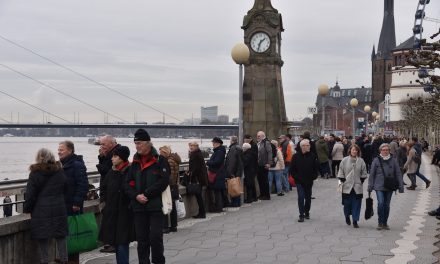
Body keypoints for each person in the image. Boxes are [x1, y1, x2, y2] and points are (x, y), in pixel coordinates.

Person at [124, 129, 170, 264]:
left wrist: (146, 194)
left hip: (155, 206)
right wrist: (136, 196)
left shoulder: (160, 160)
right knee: (142, 240)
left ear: (148, 143)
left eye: (139, 143)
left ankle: (158, 261)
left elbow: (164, 181)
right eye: (135, 143)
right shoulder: (135, 162)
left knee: (155, 238)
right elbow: (127, 183)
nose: (137, 146)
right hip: (139, 207)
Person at [24, 148, 68, 264]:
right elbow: (66, 189)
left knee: (42, 236)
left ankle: (45, 261)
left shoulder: (35, 173)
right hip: (59, 208)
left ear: (39, 158)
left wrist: (27, 209)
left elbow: (30, 195)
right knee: (60, 236)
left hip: (41, 210)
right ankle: (64, 260)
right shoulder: (60, 171)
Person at [99, 146, 134, 264]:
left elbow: (133, 191)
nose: (112, 159)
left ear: (122, 158)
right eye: (112, 156)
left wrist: (130, 206)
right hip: (111, 212)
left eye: (115, 156)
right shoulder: (112, 171)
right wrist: (103, 204)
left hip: (125, 213)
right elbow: (103, 188)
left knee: (122, 243)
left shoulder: (131, 171)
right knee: (116, 242)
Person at [58, 140, 89, 264]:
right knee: (66, 233)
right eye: (58, 149)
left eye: (62, 149)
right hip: (63, 204)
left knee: (73, 234)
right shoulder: (62, 164)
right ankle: (66, 258)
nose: (59, 152)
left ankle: (73, 260)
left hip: (72, 205)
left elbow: (83, 185)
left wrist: (77, 202)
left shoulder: (76, 164)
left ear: (70, 150)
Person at [368, 143, 404, 230]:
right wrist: (370, 186)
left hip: (389, 186)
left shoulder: (393, 160)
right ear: (380, 151)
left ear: (389, 151)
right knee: (380, 203)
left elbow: (398, 173)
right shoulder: (376, 160)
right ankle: (380, 222)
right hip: (378, 185)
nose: (385, 151)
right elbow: (372, 174)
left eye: (387, 150)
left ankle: (385, 222)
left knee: (387, 205)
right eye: (383, 150)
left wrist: (401, 186)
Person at [337, 144, 368, 228]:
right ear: (350, 150)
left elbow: (364, 172)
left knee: (357, 204)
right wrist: (342, 180)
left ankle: (355, 220)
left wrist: (361, 180)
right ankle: (347, 216)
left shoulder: (361, 161)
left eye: (356, 150)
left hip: (357, 187)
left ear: (358, 151)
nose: (354, 151)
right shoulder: (344, 160)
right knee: (347, 204)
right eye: (353, 150)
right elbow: (341, 171)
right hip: (347, 187)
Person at [289, 139, 319, 222]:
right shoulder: (295, 156)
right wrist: (296, 177)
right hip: (299, 181)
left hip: (309, 181)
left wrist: (314, 176)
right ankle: (301, 214)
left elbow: (316, 168)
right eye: (307, 145)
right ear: (302, 146)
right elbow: (292, 169)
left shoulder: (313, 156)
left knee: (308, 197)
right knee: (301, 197)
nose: (309, 146)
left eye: (309, 145)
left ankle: (307, 212)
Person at [159, 145, 182, 231]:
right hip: (174, 186)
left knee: (166, 205)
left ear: (165, 152)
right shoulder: (173, 159)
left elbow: (170, 176)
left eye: (161, 152)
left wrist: (165, 184)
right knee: (172, 206)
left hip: (170, 186)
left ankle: (166, 227)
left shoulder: (169, 161)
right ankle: (173, 225)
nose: (159, 154)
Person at [186, 141, 208, 218]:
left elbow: (195, 168)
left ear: (196, 146)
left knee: (199, 196)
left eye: (193, 146)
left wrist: (190, 176)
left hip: (197, 179)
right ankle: (202, 212)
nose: (191, 147)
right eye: (190, 145)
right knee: (199, 196)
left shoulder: (195, 155)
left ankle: (202, 213)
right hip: (200, 178)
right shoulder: (198, 153)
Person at [206, 137, 227, 212]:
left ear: (218, 144)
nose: (213, 144)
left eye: (214, 143)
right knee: (218, 192)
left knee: (217, 192)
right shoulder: (219, 151)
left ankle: (218, 208)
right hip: (218, 174)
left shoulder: (219, 152)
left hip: (217, 174)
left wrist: (208, 162)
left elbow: (217, 162)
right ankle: (219, 207)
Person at [225, 136, 243, 207]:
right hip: (238, 171)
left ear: (232, 141)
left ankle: (234, 203)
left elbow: (232, 162)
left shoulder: (233, 149)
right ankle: (237, 203)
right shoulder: (238, 148)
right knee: (237, 187)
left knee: (233, 187)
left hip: (233, 172)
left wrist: (230, 172)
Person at [256, 131, 272, 200]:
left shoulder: (266, 143)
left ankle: (266, 195)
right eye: (257, 136)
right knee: (260, 180)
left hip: (264, 164)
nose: (257, 137)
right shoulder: (259, 143)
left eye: (259, 136)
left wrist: (269, 163)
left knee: (264, 180)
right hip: (259, 165)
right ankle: (262, 194)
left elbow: (270, 153)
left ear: (263, 136)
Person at [243, 135, 258, 202]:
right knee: (252, 184)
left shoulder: (249, 152)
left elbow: (245, 162)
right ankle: (254, 197)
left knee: (249, 184)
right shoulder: (250, 152)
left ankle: (250, 198)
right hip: (252, 169)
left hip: (250, 170)